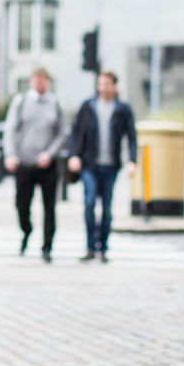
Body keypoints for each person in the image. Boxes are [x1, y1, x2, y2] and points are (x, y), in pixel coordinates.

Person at [68, 71, 137, 263]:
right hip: (89, 164)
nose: (103, 87)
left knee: (107, 208)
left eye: (106, 84)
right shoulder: (88, 106)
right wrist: (74, 155)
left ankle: (103, 247)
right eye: (100, 84)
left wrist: (132, 161)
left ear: (114, 86)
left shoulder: (122, 109)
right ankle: (90, 246)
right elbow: (75, 132)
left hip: (111, 166)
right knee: (89, 202)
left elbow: (131, 136)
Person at [3, 67, 67, 262]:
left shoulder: (56, 104)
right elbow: (10, 129)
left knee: (49, 207)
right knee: (22, 203)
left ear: (48, 82)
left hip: (47, 164)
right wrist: (10, 154)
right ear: (32, 81)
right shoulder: (21, 102)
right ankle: (26, 230)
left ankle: (47, 246)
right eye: (37, 80)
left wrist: (50, 153)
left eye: (43, 80)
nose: (40, 83)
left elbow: (63, 133)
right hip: (24, 161)